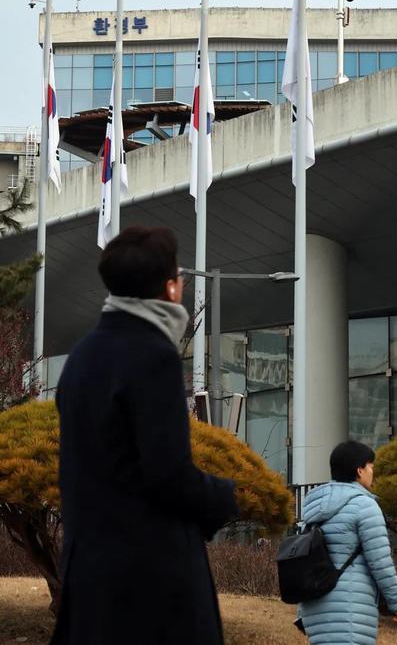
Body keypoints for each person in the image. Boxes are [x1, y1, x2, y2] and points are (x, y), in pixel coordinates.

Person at [50, 226, 238, 645]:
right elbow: (167, 473)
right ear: (170, 288)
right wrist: (224, 497)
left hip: (90, 576)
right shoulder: (153, 355)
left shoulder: (81, 357)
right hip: (149, 579)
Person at [298, 440, 397, 644]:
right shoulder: (365, 505)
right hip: (349, 608)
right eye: (370, 466)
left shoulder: (314, 507)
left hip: (314, 606)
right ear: (359, 470)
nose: (372, 472)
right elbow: (380, 562)